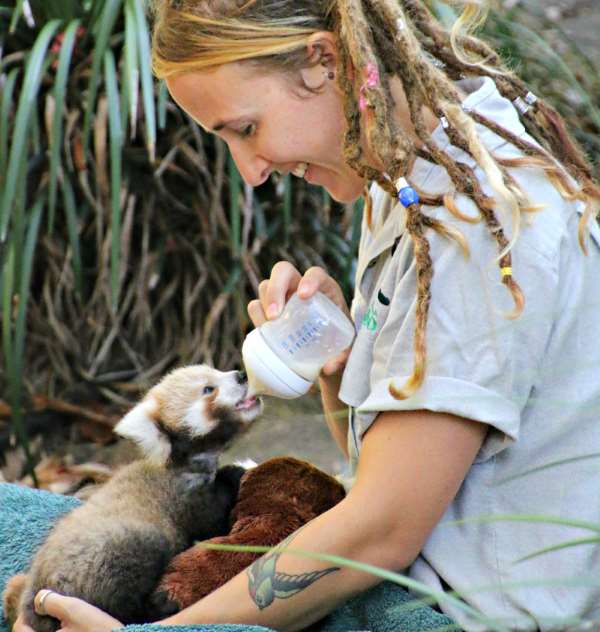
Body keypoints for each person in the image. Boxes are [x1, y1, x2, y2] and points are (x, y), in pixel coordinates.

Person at [14, 0, 600, 630]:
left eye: (245, 129)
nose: (252, 172)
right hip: (406, 570)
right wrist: (341, 360)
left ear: (323, 61)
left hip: (453, 612)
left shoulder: (476, 236)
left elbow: (380, 533)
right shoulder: (399, 167)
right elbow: (392, 464)